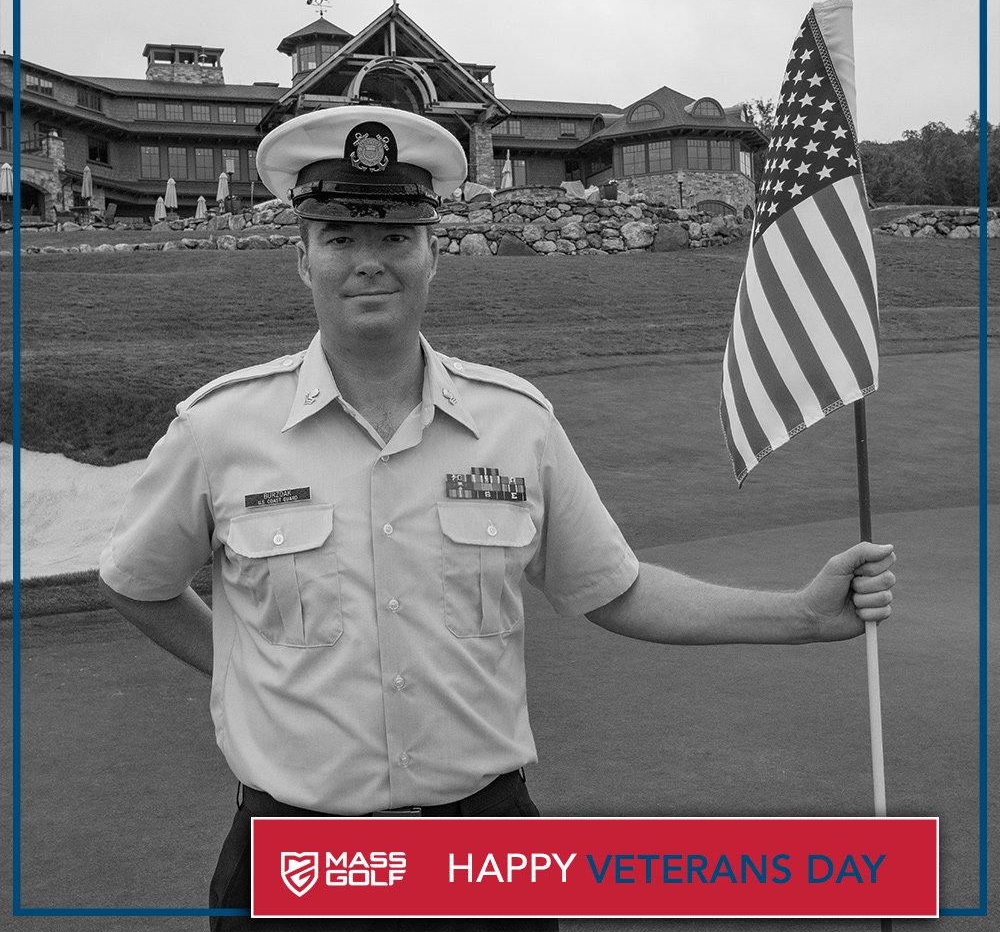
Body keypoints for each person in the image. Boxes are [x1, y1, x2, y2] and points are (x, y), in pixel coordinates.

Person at [98, 106, 895, 932]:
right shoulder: (219, 428)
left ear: (434, 253)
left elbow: (616, 591)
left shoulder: (517, 422)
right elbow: (137, 583)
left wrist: (799, 615)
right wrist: (242, 670)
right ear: (301, 260)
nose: (369, 262)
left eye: (397, 238)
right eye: (339, 237)